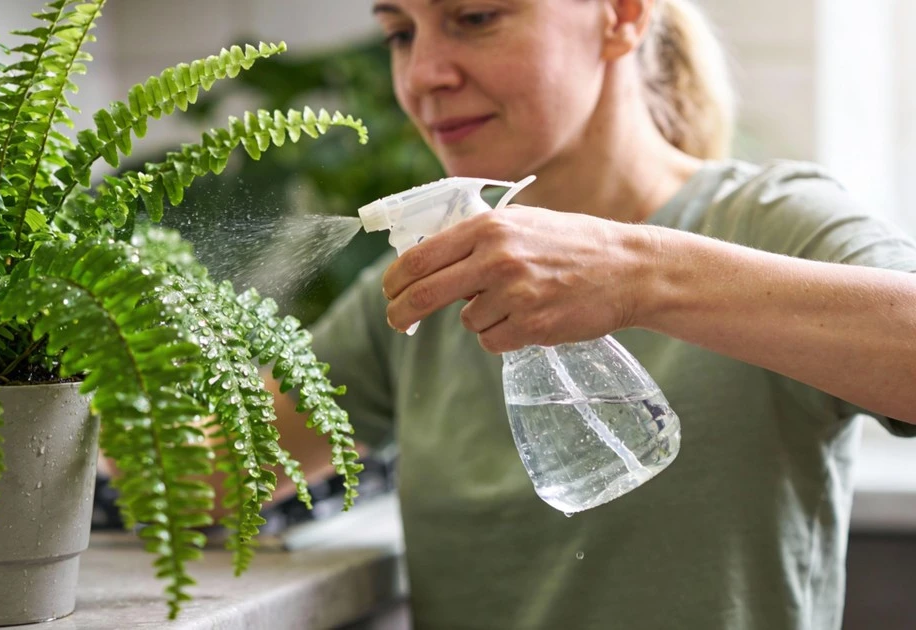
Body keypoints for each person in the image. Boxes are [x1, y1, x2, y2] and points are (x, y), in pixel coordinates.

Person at [267, 0, 916, 628]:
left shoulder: (769, 223)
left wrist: (640, 274)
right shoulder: (423, 289)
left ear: (622, 15)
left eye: (475, 18)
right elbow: (206, 469)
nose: (423, 75)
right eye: (400, 33)